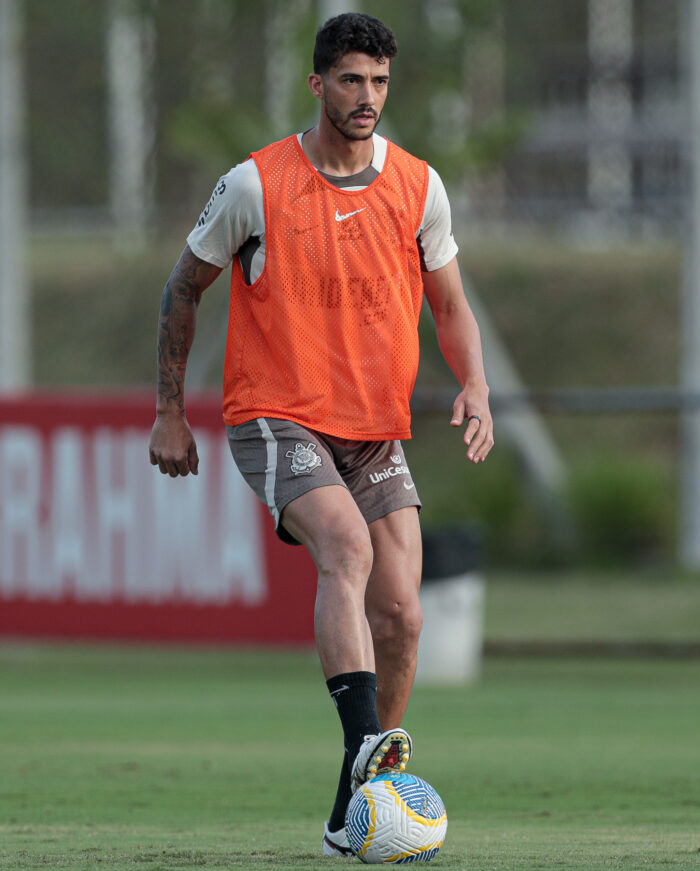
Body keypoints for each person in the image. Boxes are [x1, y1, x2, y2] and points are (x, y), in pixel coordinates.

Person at [147, 11, 493, 857]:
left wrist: (477, 384)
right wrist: (170, 410)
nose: (367, 95)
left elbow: (449, 303)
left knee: (403, 613)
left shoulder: (418, 185)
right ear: (317, 84)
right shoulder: (255, 184)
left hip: (372, 428)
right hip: (276, 412)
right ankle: (366, 745)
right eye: (351, 79)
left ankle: (355, 805)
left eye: (379, 81)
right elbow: (183, 289)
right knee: (347, 546)